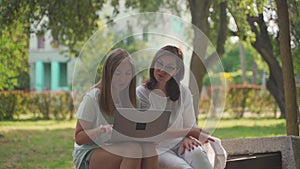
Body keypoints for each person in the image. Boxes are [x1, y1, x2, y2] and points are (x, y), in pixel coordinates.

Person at [73, 48, 158, 169]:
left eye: (128, 74)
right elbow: (79, 138)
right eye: (118, 73)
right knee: (132, 151)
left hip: (122, 145)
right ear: (109, 73)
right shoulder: (93, 97)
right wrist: (100, 130)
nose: (123, 79)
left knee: (149, 149)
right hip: (91, 151)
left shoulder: (133, 99)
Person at [137, 45, 214, 169]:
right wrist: (188, 132)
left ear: (177, 70)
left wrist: (186, 137)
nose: (162, 70)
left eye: (169, 67)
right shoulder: (142, 93)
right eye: (159, 63)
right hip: (157, 148)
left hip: (180, 143)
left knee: (200, 156)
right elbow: (153, 132)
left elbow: (190, 125)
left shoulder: (183, 92)